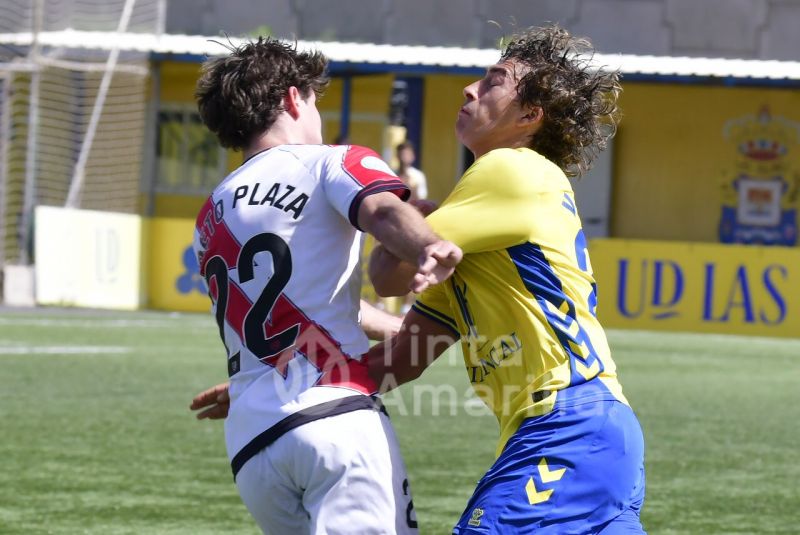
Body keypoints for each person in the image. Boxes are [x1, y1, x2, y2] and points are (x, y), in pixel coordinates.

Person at [368, 25, 646, 533]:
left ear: (529, 116)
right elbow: (403, 360)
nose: (470, 89)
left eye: (493, 82)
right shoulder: (482, 236)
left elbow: (386, 275)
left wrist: (409, 222)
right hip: (595, 432)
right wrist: (298, 385)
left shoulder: (509, 169)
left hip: (566, 427)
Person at [191, 36, 461, 535]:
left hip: (252, 444)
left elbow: (311, 300)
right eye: (316, 100)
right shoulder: (330, 161)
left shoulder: (212, 213)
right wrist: (426, 245)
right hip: (333, 418)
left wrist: (402, 327)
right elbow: (382, 209)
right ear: (295, 98)